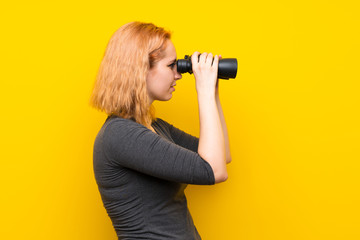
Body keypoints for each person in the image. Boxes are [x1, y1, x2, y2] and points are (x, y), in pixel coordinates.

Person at [89, 21, 232, 240]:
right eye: (171, 65)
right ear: (141, 69)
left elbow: (221, 157)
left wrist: (212, 92)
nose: (178, 74)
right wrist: (201, 91)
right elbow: (214, 171)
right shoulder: (120, 135)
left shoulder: (155, 127)